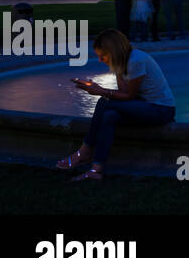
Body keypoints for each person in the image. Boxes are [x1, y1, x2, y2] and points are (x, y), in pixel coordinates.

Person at [56, 29, 176, 181]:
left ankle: (84, 151)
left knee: (104, 101)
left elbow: (129, 96)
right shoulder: (124, 61)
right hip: (143, 106)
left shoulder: (136, 60)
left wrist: (100, 91)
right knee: (109, 116)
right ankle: (96, 169)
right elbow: (123, 93)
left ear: (114, 51)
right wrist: (100, 85)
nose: (100, 59)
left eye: (103, 55)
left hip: (161, 110)